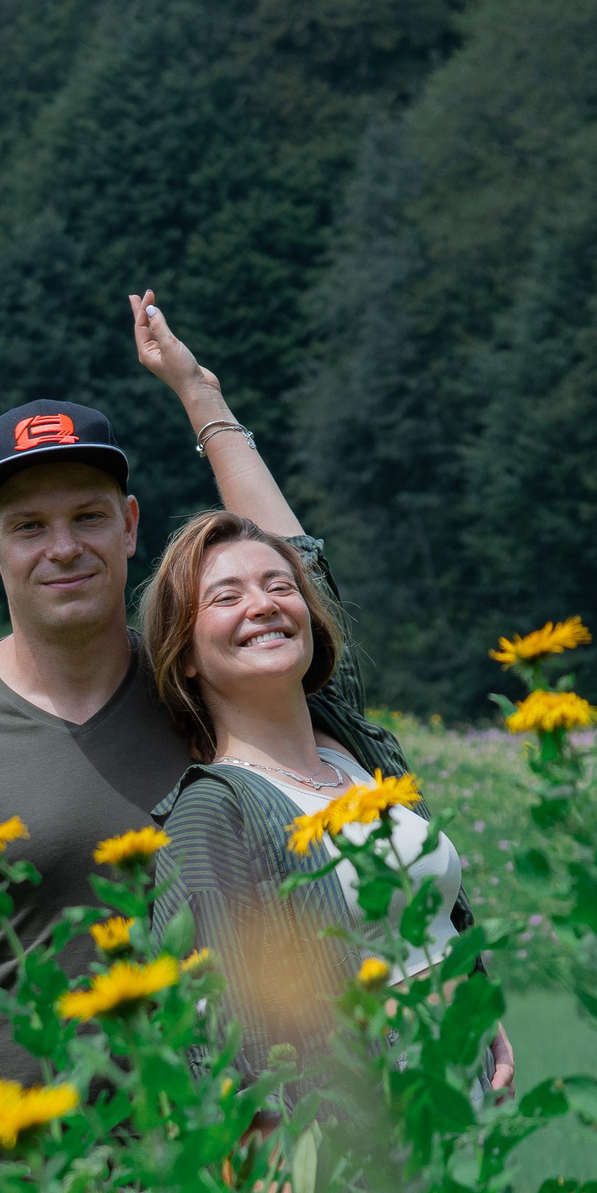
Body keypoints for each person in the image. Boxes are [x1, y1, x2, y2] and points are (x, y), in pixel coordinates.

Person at [0, 291, 512, 1094]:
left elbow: (294, 582)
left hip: (200, 1180)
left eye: (89, 515)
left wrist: (203, 399)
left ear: (131, 525)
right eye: (30, 526)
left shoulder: (201, 691)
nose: (65, 547)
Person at [132, 306, 513, 1138]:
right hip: (353, 1183)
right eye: (224, 598)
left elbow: (299, 554)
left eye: (277, 589)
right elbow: (217, 1043)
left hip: (466, 1153)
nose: (265, 604)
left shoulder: (359, 753)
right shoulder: (215, 811)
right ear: (185, 654)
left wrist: (201, 393)